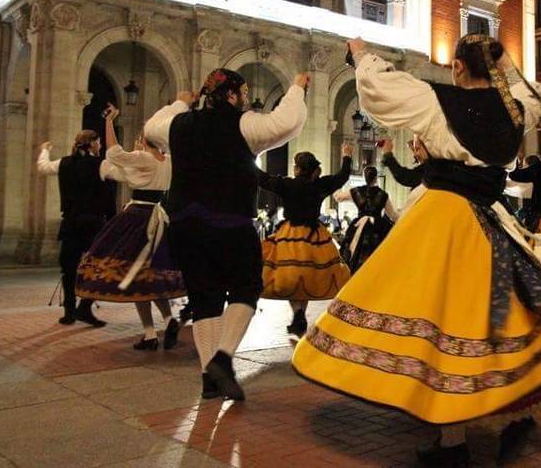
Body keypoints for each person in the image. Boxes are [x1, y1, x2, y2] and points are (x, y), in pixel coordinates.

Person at [292, 35, 541, 466]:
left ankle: (451, 442)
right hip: (487, 220)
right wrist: (505, 66)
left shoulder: (437, 100)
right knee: (487, 322)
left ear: (458, 69)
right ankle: (498, 417)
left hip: (443, 217)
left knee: (437, 323)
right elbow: (535, 97)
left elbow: (380, 89)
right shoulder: (513, 110)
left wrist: (359, 54)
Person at [144, 68, 308, 401]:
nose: (246, 100)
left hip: (186, 226)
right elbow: (285, 122)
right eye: (243, 94)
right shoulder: (243, 124)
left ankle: (209, 378)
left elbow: (151, 128)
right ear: (232, 95)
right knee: (247, 287)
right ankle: (223, 357)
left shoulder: (178, 125)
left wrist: (178, 103)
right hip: (229, 222)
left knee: (205, 298)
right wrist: (297, 89)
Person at [76, 104, 185, 350]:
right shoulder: (168, 161)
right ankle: (166, 323)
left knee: (135, 278)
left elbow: (113, 154)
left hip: (138, 217)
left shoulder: (143, 158)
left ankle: (150, 333)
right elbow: (128, 168)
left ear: (145, 139)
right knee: (151, 278)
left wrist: (109, 122)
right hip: (159, 217)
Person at [260, 143, 354, 335]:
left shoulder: (288, 184)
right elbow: (342, 176)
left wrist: (245, 157)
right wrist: (346, 156)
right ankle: (300, 314)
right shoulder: (320, 185)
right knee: (307, 276)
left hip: (290, 235)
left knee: (293, 276)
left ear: (298, 168)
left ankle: (298, 314)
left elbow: (263, 179)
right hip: (314, 236)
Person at [38, 130, 127, 327]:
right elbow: (123, 175)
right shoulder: (101, 165)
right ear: (93, 144)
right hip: (94, 224)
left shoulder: (64, 163)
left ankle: (69, 312)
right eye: (99, 143)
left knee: (68, 268)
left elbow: (43, 167)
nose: (101, 146)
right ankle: (84, 308)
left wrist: (44, 150)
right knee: (101, 267)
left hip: (71, 222)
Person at [337, 165, 398, 273]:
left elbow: (338, 197)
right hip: (378, 229)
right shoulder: (383, 195)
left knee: (352, 255)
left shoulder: (357, 191)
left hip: (359, 227)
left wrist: (335, 185)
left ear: (364, 177)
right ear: (376, 177)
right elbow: (393, 215)